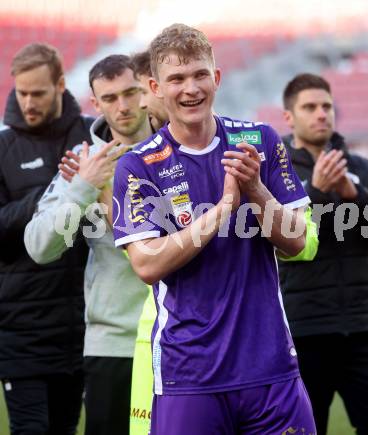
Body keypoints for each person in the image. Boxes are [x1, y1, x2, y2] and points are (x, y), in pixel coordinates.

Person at [112, 23, 316, 435]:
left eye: (200, 74)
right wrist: (222, 210)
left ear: (216, 77)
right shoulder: (138, 165)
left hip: (270, 368)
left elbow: (297, 241)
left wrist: (256, 189)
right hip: (189, 374)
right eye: (177, 79)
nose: (191, 89)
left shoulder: (258, 140)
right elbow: (147, 264)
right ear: (156, 86)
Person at [24, 54, 162, 435]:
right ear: (95, 103)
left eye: (131, 92)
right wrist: (85, 187)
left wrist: (108, 197)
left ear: (148, 91)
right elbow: (39, 245)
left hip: (182, 338)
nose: (123, 106)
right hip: (113, 344)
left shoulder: (179, 154)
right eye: (110, 97)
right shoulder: (86, 164)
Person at [279, 73, 368, 435]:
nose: (321, 114)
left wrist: (355, 194)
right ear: (289, 117)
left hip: (362, 332)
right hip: (303, 333)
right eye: (310, 107)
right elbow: (278, 232)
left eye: (326, 106)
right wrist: (317, 191)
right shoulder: (278, 170)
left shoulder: (361, 168)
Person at [0, 43, 93, 435]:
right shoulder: (2, 147)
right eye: (22, 93)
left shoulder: (91, 134)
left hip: (81, 326)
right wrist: (49, 198)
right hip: (22, 328)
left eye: (38, 93)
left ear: (60, 85)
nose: (28, 102)